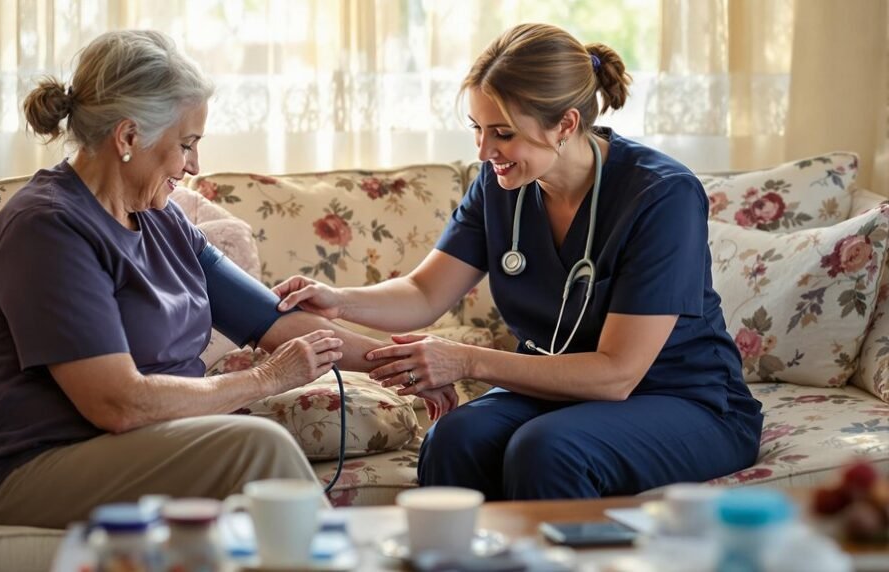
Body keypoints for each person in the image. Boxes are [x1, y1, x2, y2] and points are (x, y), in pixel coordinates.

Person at [0, 30, 456, 528]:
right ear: (129, 136)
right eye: (187, 144)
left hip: (122, 444)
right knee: (257, 445)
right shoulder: (49, 229)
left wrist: (410, 364)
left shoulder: (163, 219)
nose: (195, 165)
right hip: (23, 465)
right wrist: (265, 379)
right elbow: (117, 402)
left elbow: (276, 323)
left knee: (250, 450)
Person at [273, 23, 764, 500]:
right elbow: (425, 293)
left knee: (550, 450)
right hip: (561, 391)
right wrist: (338, 300)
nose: (485, 152)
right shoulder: (499, 186)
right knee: (454, 438)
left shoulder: (661, 195)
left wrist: (464, 359)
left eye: (502, 134)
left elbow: (618, 374)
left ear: (565, 124)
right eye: (477, 130)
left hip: (682, 400)